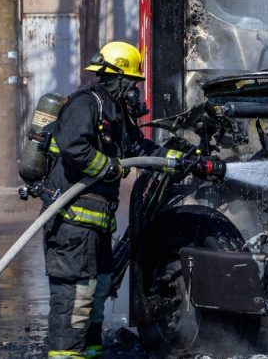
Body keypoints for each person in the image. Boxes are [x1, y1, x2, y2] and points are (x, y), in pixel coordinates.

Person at [41, 41, 221, 358]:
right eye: (132, 82)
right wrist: (107, 165)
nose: (134, 89)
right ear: (117, 76)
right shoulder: (86, 104)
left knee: (97, 291)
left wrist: (176, 160)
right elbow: (72, 146)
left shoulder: (115, 113)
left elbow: (139, 149)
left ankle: (91, 353)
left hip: (94, 225)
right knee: (75, 296)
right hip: (71, 222)